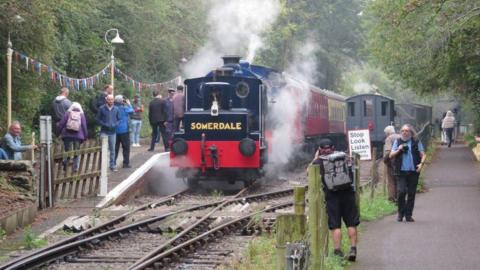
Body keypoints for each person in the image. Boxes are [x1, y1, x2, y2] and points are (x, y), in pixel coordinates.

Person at [311, 138, 359, 261]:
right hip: (348, 194)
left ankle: (337, 251)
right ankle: (353, 248)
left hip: (332, 196)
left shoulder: (318, 161)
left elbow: (309, 172)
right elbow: (353, 168)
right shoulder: (344, 156)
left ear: (320, 150)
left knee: (335, 225)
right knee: (351, 223)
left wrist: (316, 157)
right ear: (333, 148)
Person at [389, 124, 426, 222]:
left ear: (411, 133)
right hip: (401, 171)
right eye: (402, 131)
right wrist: (399, 149)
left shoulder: (416, 141)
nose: (404, 133)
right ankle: (401, 213)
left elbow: (423, 154)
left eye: (407, 131)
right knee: (401, 192)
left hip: (413, 171)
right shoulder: (397, 141)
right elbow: (391, 155)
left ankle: (408, 215)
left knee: (411, 193)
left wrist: (421, 164)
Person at [56, 102, 88, 171]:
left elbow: (61, 124)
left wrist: (58, 133)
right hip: (78, 136)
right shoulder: (81, 115)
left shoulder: (68, 113)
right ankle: (75, 167)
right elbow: (84, 126)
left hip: (67, 135)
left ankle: (65, 163)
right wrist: (85, 136)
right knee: (77, 151)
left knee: (67, 150)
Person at [96, 94, 120, 171]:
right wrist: (104, 124)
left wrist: (115, 124)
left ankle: (112, 165)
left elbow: (119, 119)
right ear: (106, 100)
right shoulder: (101, 108)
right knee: (103, 149)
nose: (110, 101)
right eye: (109, 99)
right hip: (104, 131)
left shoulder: (116, 109)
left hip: (113, 132)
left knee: (112, 149)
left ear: (113, 100)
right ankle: (102, 166)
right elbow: (97, 119)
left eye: (112, 99)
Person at [114, 95, 133, 168]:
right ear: (122, 101)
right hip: (124, 130)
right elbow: (132, 111)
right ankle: (126, 163)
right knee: (126, 147)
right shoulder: (124, 108)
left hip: (115, 130)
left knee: (115, 148)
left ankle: (113, 163)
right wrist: (128, 103)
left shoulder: (113, 108)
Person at [383, 125, 400, 202]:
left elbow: (388, 152)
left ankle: (392, 198)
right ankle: (400, 197)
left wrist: (385, 160)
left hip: (392, 162)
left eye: (385, 133)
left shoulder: (389, 138)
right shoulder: (400, 137)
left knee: (391, 180)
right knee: (400, 180)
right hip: (402, 162)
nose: (385, 135)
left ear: (388, 133)